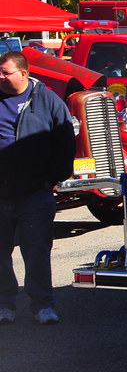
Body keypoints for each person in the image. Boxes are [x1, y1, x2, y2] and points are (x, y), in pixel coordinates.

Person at [0, 51, 75, 325]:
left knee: (36, 252)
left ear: (24, 72)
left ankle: (42, 306)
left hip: (35, 193)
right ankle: (4, 305)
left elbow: (65, 140)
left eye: (6, 72)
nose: (0, 77)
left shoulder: (47, 100)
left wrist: (53, 177)